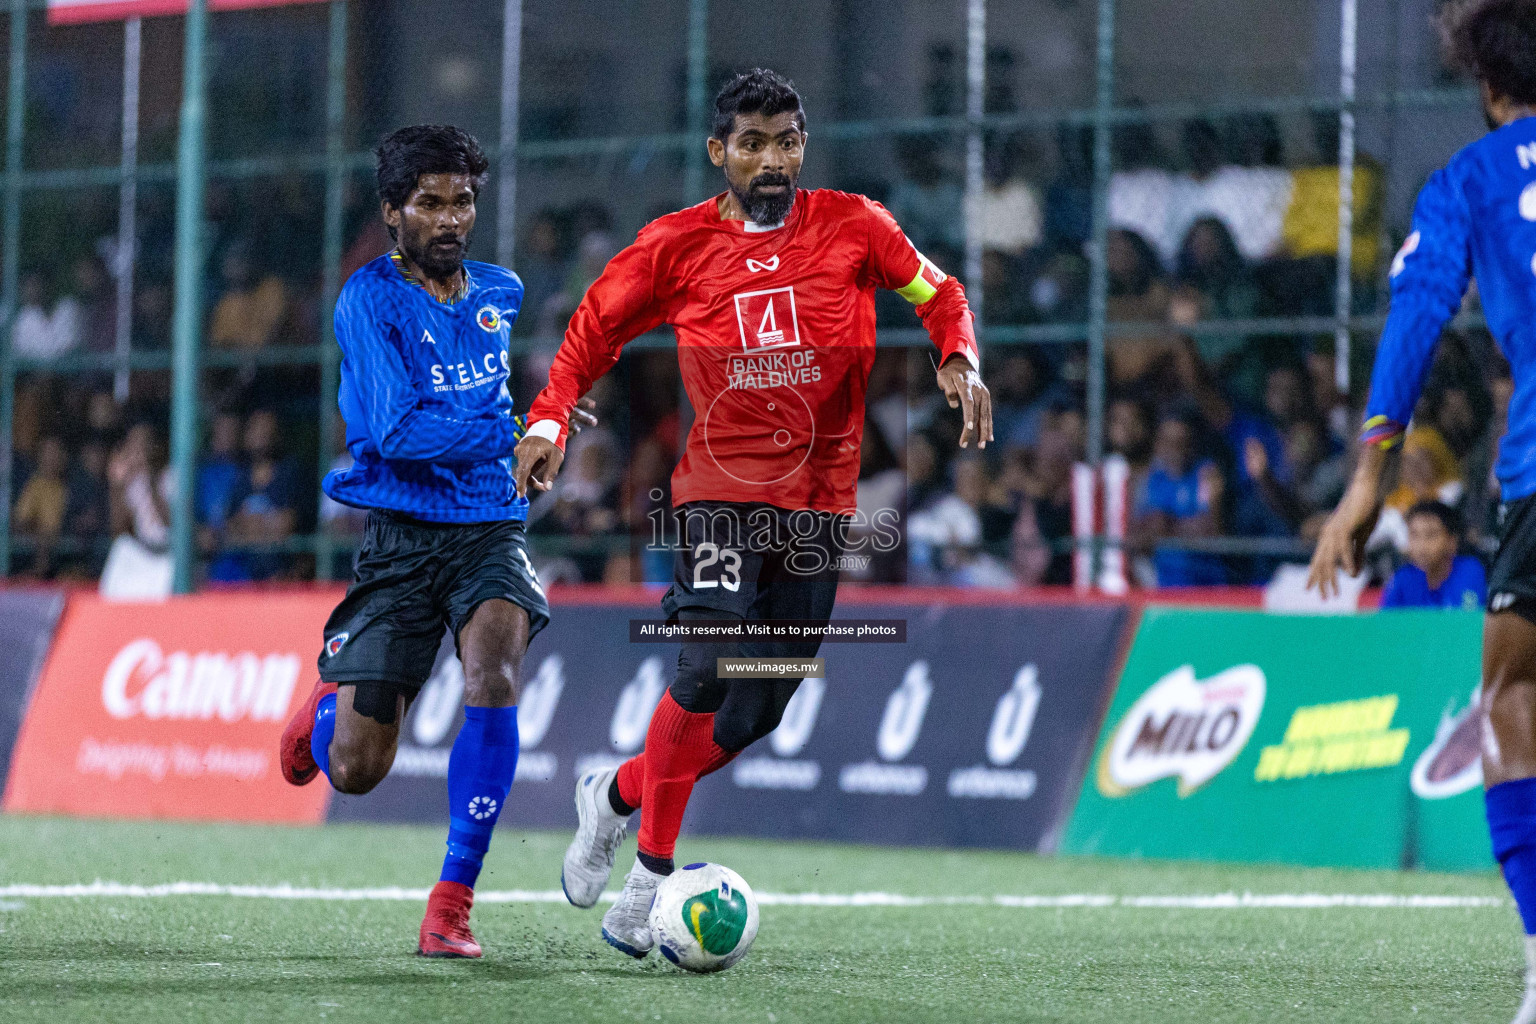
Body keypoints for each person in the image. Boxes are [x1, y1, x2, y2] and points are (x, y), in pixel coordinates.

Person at [514, 69, 992, 959]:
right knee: (702, 667)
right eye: (752, 144)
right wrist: (548, 413)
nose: (771, 160)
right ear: (718, 152)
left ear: (803, 145)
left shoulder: (858, 225)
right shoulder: (676, 245)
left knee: (754, 714)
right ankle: (649, 878)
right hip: (719, 498)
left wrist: (957, 357)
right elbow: (594, 328)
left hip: (816, 511)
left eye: (786, 142)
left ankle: (613, 795)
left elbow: (940, 294)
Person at [275, 124, 592, 961]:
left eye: (463, 202)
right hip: (402, 537)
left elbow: (499, 411)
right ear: (393, 212)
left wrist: (539, 426)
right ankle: (323, 714)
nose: (451, 219)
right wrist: (507, 434)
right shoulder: (367, 299)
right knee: (355, 768)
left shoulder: (501, 290)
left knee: (496, 669)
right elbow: (395, 430)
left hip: (489, 525)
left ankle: (452, 902)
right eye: (430, 203)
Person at [1308, 5, 1536, 1020]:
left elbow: (1415, 319)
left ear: (1489, 86)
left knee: (1516, 704)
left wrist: (1368, 480)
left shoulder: (1473, 181)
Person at [1380, 501, 1487, 610]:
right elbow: (1385, 624)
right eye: (1414, 534)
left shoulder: (1470, 570)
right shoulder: (1403, 578)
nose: (1421, 545)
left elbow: (1466, 622)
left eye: (1431, 535)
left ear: (1452, 541)